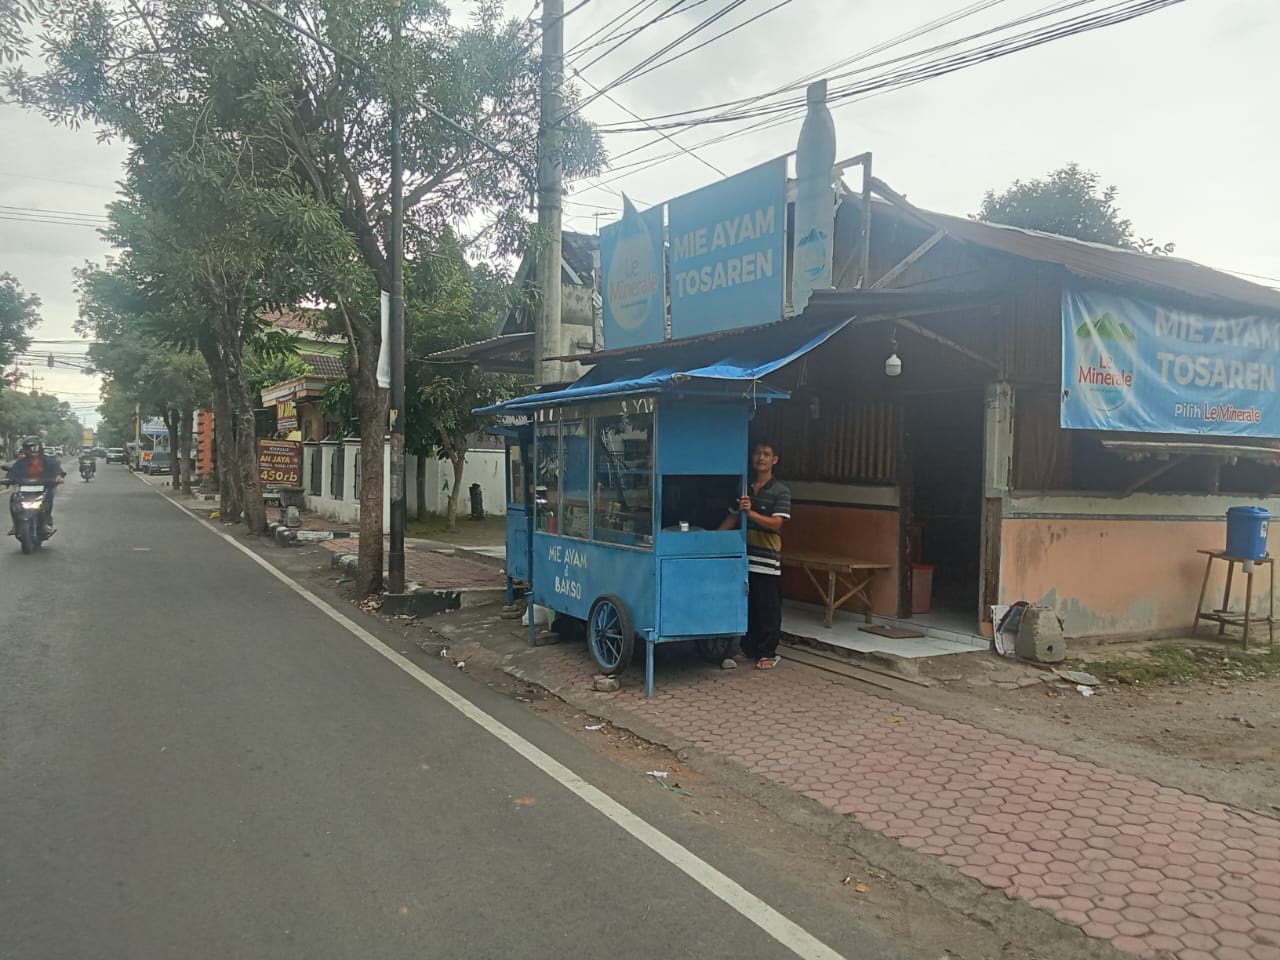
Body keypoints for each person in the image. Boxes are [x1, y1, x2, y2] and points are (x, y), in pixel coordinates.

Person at [721, 440, 791, 669]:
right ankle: (748, 648)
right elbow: (733, 517)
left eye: (767, 454)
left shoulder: (781, 490)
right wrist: (714, 538)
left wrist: (750, 513)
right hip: (744, 558)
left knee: (768, 608)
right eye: (758, 453)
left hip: (767, 559)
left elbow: (776, 523)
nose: (761, 458)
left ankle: (768, 652)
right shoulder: (745, 487)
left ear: (775, 460)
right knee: (747, 605)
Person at [6, 437, 66, 534]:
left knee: (48, 498)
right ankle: (15, 525)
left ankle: (46, 521)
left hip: (44, 487)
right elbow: (12, 472)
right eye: (28, 448)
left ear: (40, 448)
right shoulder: (21, 462)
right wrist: (8, 479)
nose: (32, 451)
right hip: (24, 488)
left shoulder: (48, 460)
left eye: (34, 447)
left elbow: (57, 469)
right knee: (14, 499)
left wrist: (58, 476)